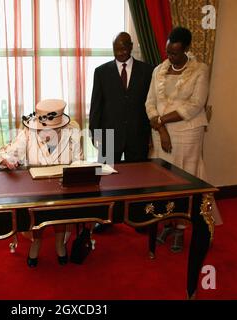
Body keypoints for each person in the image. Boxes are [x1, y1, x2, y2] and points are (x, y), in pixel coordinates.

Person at [145, 26, 223, 253]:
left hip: (188, 133)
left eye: (176, 53)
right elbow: (149, 101)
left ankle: (180, 227)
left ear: (187, 49)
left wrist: (161, 120)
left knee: (184, 180)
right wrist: (160, 128)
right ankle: (167, 223)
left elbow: (195, 104)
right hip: (161, 134)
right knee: (163, 181)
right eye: (168, 52)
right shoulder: (159, 70)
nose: (170, 57)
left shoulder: (200, 70)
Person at [0, 99, 83, 267]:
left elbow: (78, 161)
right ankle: (36, 242)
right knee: (37, 214)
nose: (47, 132)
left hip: (62, 188)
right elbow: (8, 154)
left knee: (61, 210)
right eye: (43, 127)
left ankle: (59, 244)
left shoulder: (71, 132)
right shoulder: (28, 132)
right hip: (36, 191)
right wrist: (8, 161)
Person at [89, 31, 154, 232]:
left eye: (124, 48)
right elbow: (96, 105)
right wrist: (95, 132)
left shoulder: (148, 70)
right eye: (117, 49)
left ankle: (138, 218)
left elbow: (151, 104)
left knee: (138, 180)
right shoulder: (101, 72)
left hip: (138, 133)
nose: (121, 52)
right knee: (106, 179)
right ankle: (107, 219)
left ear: (132, 46)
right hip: (109, 134)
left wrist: (152, 134)